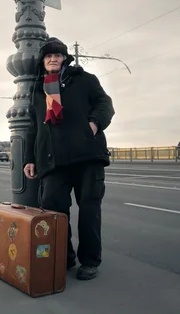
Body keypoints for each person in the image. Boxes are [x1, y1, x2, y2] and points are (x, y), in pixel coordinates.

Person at [23, 37, 115, 281]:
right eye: (48, 56)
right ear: (43, 62)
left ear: (65, 59)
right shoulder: (38, 89)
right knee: (55, 212)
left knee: (89, 211)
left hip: (87, 157)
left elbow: (105, 104)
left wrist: (93, 125)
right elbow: (34, 128)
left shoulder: (84, 80)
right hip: (54, 162)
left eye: (58, 55)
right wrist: (29, 158)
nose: (53, 59)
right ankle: (65, 257)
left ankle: (90, 261)